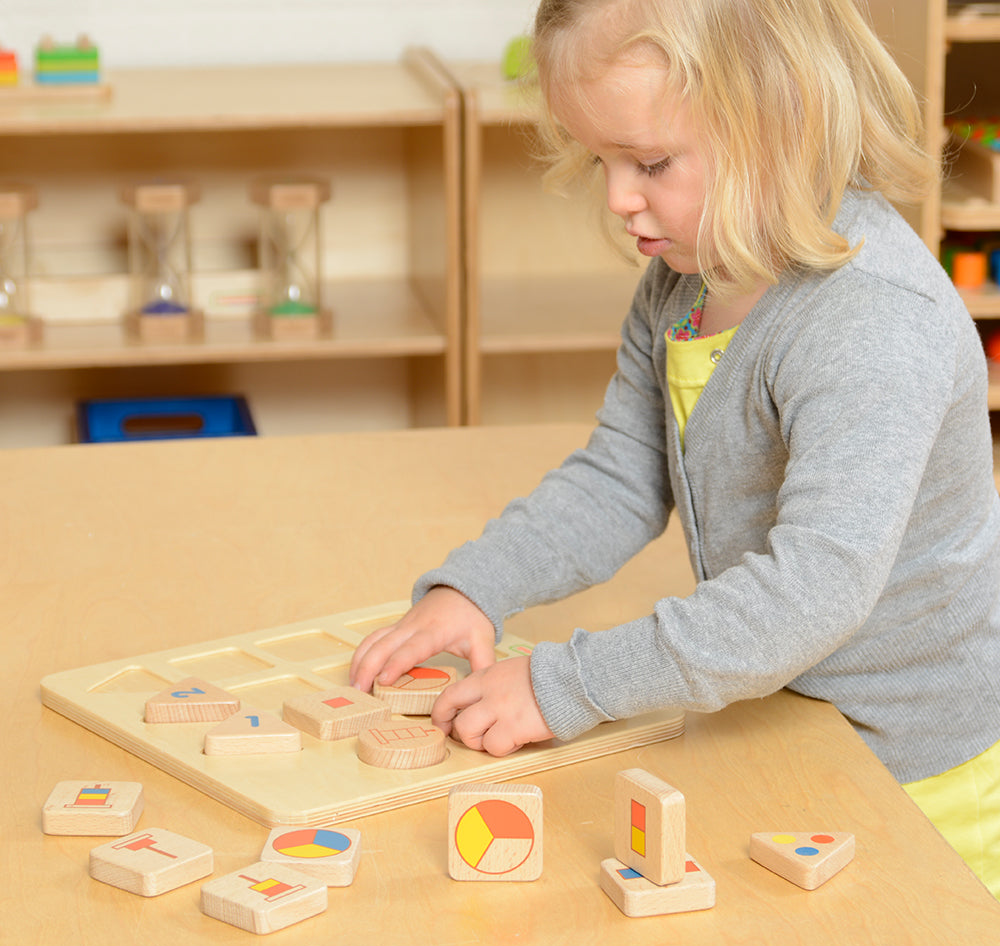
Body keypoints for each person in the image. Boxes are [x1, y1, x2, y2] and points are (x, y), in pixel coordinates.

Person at [350, 0, 1000, 898]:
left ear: (784, 125)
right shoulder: (682, 283)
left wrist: (565, 682)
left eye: (650, 162)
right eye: (599, 160)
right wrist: (478, 586)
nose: (618, 198)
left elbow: (811, 591)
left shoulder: (875, 325)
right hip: (780, 714)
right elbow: (620, 478)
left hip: (916, 764)